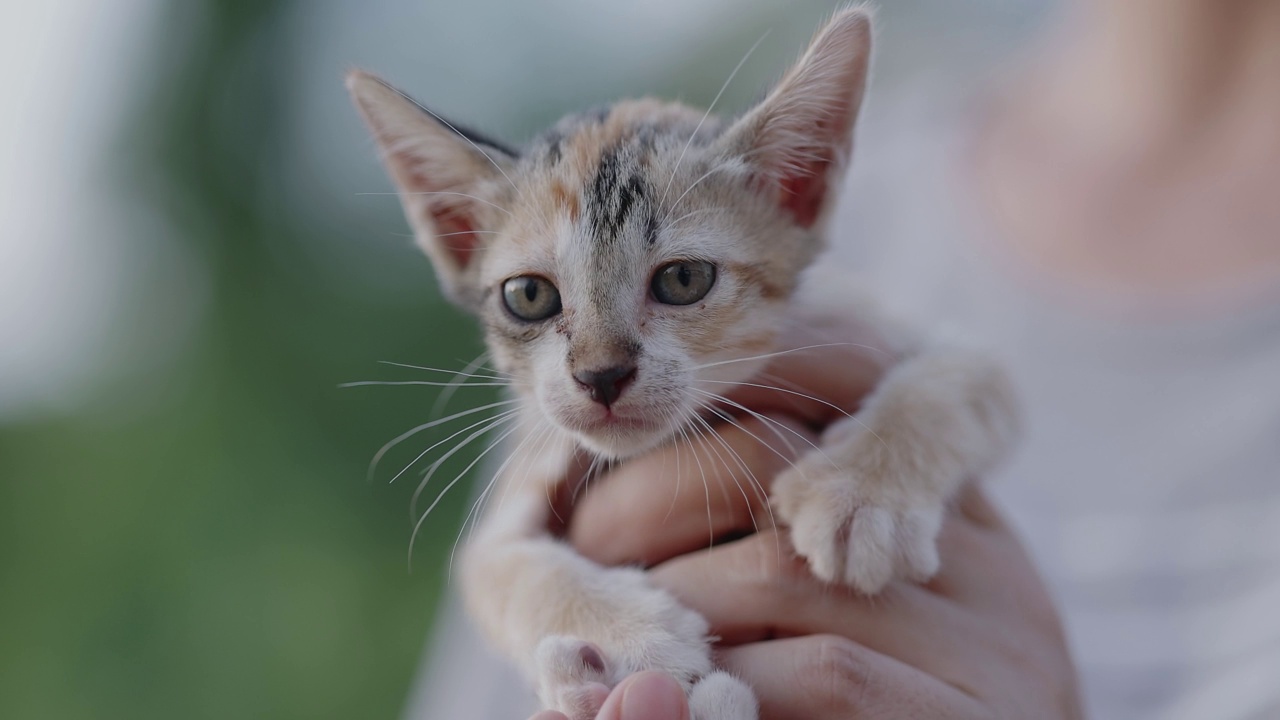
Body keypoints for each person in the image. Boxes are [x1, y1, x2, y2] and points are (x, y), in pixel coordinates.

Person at [414, 1, 1280, 717]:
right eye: (534, 299)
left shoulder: (836, 302)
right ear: (459, 242)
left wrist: (884, 468)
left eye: (679, 279)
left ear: (797, 189)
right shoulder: (555, 409)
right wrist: (585, 618)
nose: (597, 364)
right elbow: (497, 566)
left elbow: (974, 385)